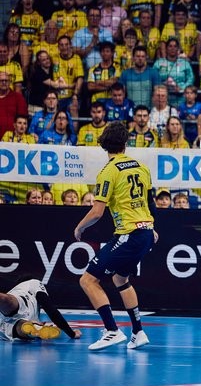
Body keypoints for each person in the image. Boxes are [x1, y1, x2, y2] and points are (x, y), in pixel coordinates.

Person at [74, 121, 156, 350]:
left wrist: (79, 228)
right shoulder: (141, 167)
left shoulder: (108, 171)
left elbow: (97, 212)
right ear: (125, 143)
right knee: (120, 279)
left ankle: (112, 330)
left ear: (103, 144)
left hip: (129, 234)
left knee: (87, 280)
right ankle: (138, 332)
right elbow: (150, 203)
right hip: (145, 233)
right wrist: (152, 227)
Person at [1, 277, 81, 342]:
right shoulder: (33, 282)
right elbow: (51, 310)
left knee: (21, 325)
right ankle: (37, 328)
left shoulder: (14, 290)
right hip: (23, 304)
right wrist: (72, 333)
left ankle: (36, 328)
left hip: (4, 328)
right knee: (23, 327)